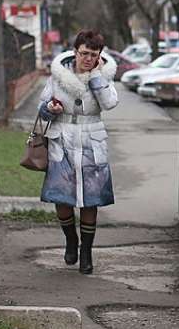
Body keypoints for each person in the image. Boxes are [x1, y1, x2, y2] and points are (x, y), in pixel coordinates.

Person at [37, 29, 118, 274]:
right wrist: (49, 108)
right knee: (62, 197)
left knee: (90, 200)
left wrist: (96, 77)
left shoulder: (103, 76)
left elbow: (109, 103)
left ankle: (86, 252)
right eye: (84, 53)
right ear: (75, 51)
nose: (88, 58)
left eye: (93, 55)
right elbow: (42, 108)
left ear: (99, 56)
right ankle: (71, 240)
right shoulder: (58, 76)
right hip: (61, 140)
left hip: (92, 142)